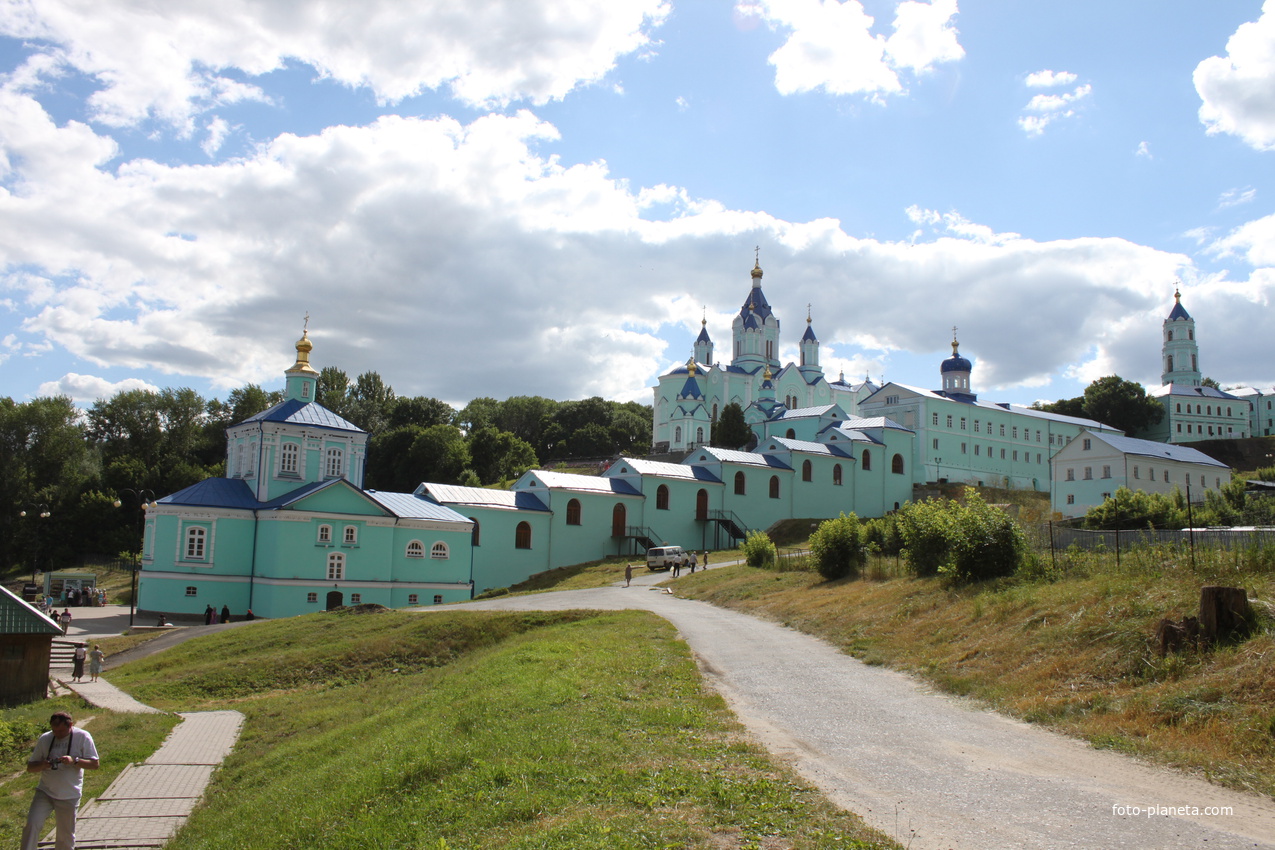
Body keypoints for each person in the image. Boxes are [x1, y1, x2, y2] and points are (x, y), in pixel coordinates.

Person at [21, 710, 99, 850]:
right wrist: (43, 765)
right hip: (45, 792)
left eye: (61, 731)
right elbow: (30, 767)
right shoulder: (45, 738)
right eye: (54, 731)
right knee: (32, 825)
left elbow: (94, 764)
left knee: (65, 836)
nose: (57, 734)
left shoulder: (83, 736)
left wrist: (74, 760)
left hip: (69, 794)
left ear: (71, 725)